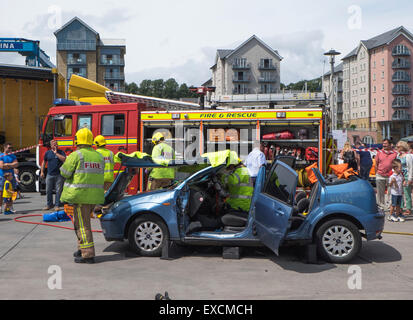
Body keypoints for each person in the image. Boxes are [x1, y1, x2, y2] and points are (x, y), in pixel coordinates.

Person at [60, 128, 105, 264]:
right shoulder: (99, 156)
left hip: (80, 197)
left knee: (82, 225)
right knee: (81, 223)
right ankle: (81, 248)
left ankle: (88, 254)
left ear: (77, 140)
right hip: (94, 197)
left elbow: (65, 173)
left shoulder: (76, 155)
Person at [40, 140, 66, 211]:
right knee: (48, 190)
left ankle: (57, 205)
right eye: (54, 144)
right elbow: (44, 162)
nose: (55, 146)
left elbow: (64, 159)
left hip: (59, 174)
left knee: (58, 191)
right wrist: (42, 171)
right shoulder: (47, 153)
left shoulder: (61, 152)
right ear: (51, 146)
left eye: (56, 144)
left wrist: (56, 153)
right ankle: (49, 204)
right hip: (49, 174)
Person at [375, 139, 397, 211]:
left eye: (386, 143)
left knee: (390, 191)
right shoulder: (379, 152)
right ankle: (381, 205)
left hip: (390, 175)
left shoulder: (394, 153)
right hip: (380, 174)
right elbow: (376, 164)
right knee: (380, 191)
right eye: (383, 143)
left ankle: (389, 205)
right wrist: (376, 173)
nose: (384, 145)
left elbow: (396, 164)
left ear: (390, 144)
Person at [0, 143, 19, 214]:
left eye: (11, 148)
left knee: (12, 193)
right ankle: (0, 208)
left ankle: (10, 207)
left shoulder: (13, 156)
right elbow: (1, 166)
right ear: (5, 148)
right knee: (1, 193)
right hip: (2, 177)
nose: (11, 149)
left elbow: (16, 164)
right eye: (9, 148)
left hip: (11, 178)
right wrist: (11, 165)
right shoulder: (1, 155)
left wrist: (7, 164)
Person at [395, 140, 413, 216]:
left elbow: (410, 167)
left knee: (407, 193)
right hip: (399, 176)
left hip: (406, 175)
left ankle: (408, 208)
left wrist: (410, 179)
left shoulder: (408, 156)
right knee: (399, 192)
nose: (397, 148)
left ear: (403, 147)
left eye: (398, 147)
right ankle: (401, 207)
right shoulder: (398, 156)